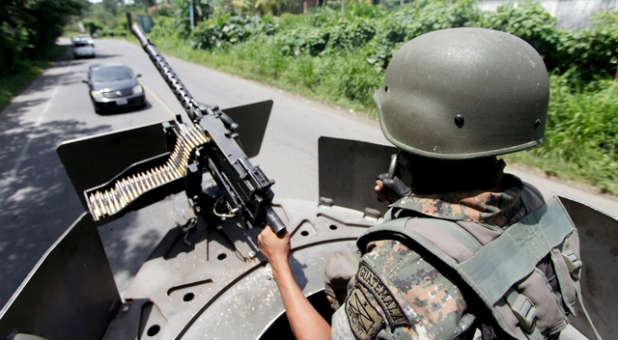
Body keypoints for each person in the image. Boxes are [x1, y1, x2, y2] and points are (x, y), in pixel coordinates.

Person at [258, 27, 592, 340]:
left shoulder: (399, 269)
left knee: (340, 267)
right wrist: (409, 204)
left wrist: (279, 264)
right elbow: (479, 236)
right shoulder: (542, 208)